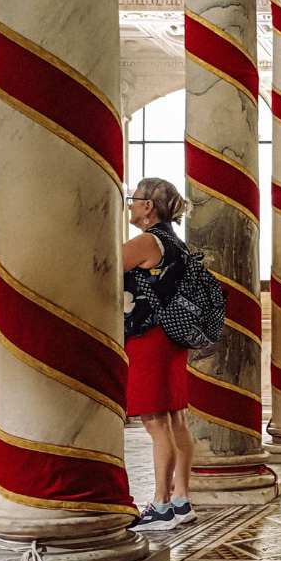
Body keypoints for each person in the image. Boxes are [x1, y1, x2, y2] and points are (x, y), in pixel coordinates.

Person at [122, 178, 197, 531]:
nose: (131, 206)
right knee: (175, 418)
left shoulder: (146, 242)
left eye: (134, 200)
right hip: (172, 338)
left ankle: (161, 504)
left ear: (149, 206)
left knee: (155, 423)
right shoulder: (176, 243)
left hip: (148, 337)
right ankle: (181, 499)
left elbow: (101, 267)